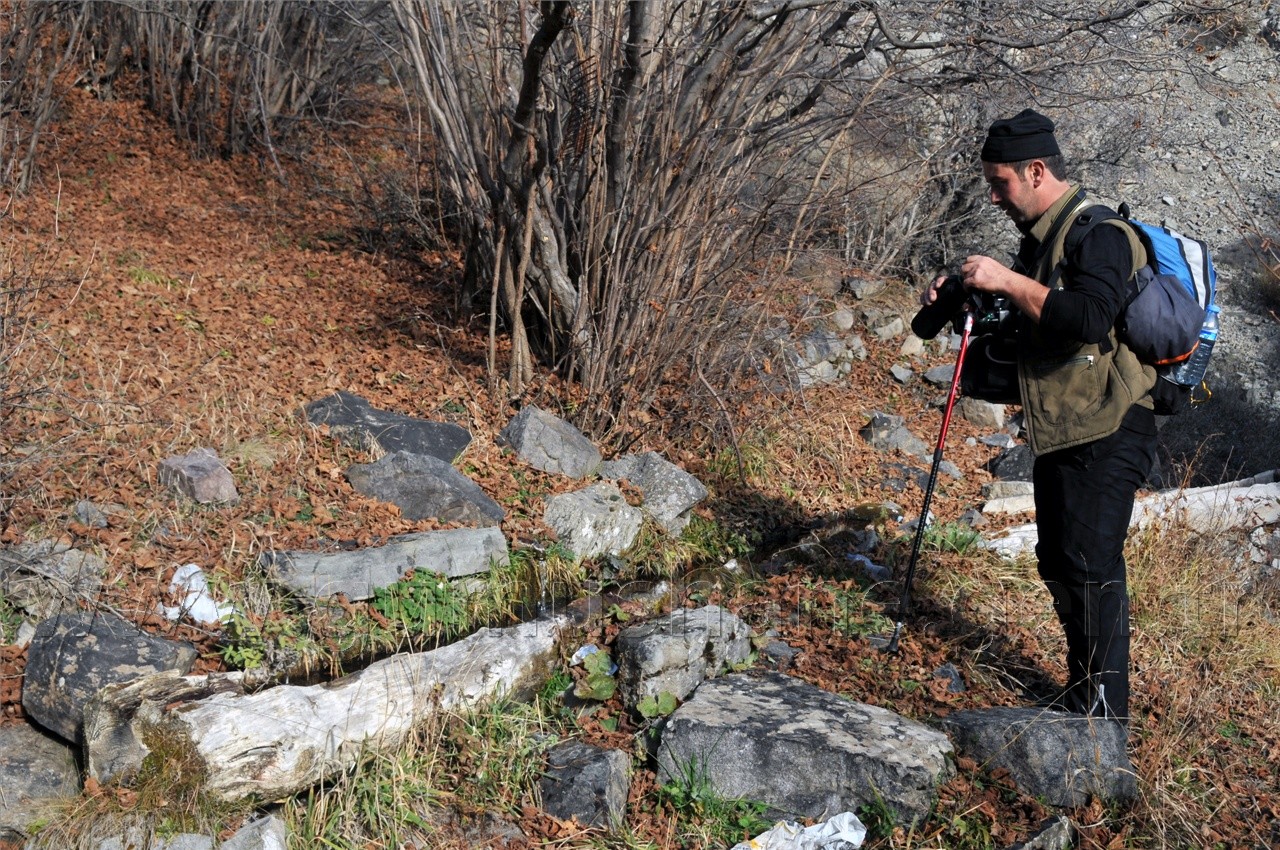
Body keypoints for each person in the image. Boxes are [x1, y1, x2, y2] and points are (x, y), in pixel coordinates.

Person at [920, 108, 1158, 723]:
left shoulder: (1097, 233)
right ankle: (1085, 696)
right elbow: (1036, 323)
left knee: (1090, 565)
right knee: (1061, 560)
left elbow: (1087, 317)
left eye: (1000, 182)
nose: (994, 195)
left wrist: (1006, 279)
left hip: (1112, 424)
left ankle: (1104, 718)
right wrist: (971, 293)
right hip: (1068, 426)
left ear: (1034, 169)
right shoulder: (1041, 242)